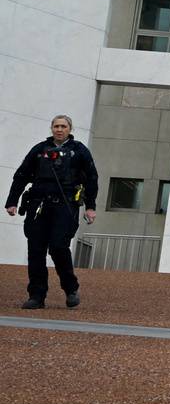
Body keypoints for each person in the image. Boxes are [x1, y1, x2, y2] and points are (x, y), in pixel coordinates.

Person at [6, 115, 98, 310]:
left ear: (69, 129)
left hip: (65, 206)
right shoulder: (40, 150)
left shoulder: (79, 151)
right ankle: (36, 296)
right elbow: (21, 175)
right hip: (38, 205)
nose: (59, 129)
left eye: (63, 126)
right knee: (36, 250)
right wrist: (12, 202)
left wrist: (90, 207)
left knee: (58, 247)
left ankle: (71, 289)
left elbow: (91, 178)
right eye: (56, 126)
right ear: (51, 128)